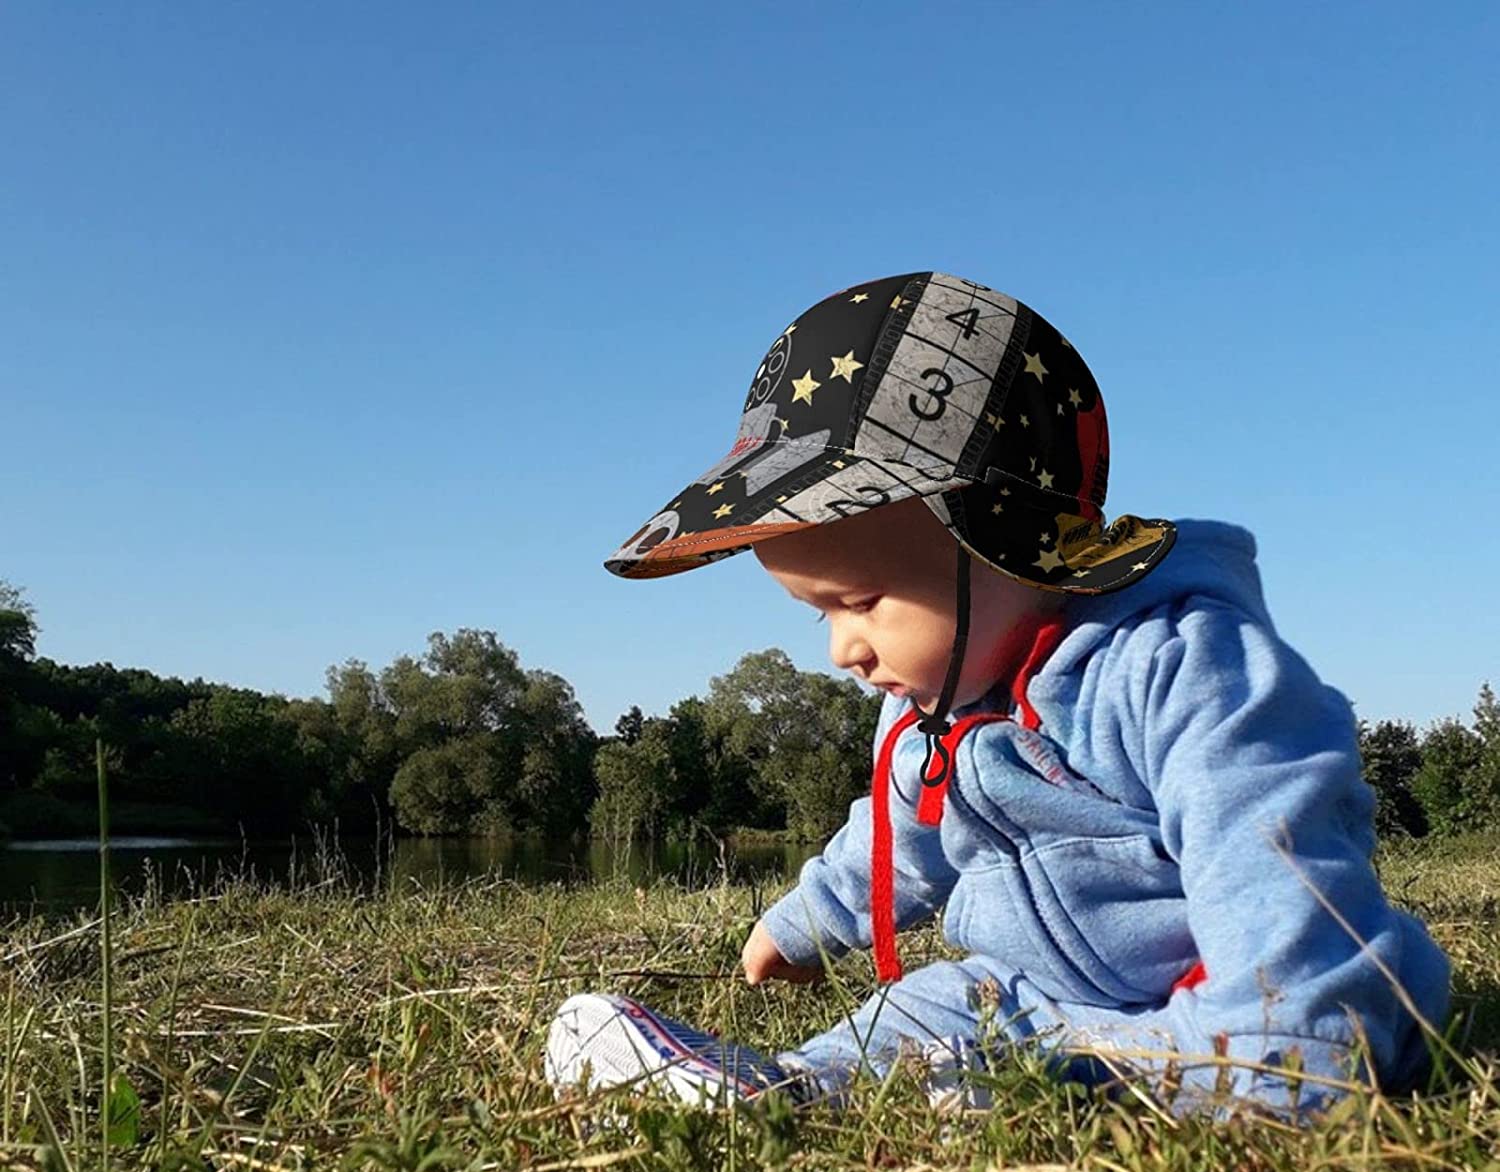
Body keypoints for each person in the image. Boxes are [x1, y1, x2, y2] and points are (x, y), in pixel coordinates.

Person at [545, 271, 1451, 1120]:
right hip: (1044, 1002)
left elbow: (1266, 841)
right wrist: (808, 922)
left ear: (1003, 537)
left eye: (859, 603)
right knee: (938, 1003)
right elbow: (896, 838)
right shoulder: (930, 709)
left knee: (1251, 1049)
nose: (840, 650)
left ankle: (1211, 1076)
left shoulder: (1172, 665)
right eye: (816, 616)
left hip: (1232, 996)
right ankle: (784, 1087)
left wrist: (1286, 1026)